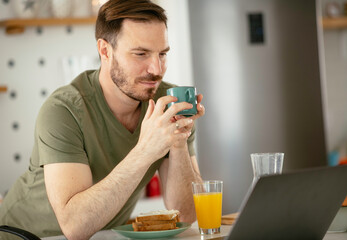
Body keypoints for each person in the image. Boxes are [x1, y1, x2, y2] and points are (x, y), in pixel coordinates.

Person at [0, 0, 205, 239]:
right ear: (105, 51)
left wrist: (177, 143)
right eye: (141, 54)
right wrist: (147, 150)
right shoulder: (63, 110)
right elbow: (75, 226)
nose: (156, 68)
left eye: (162, 54)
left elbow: (186, 215)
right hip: (22, 234)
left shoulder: (166, 104)